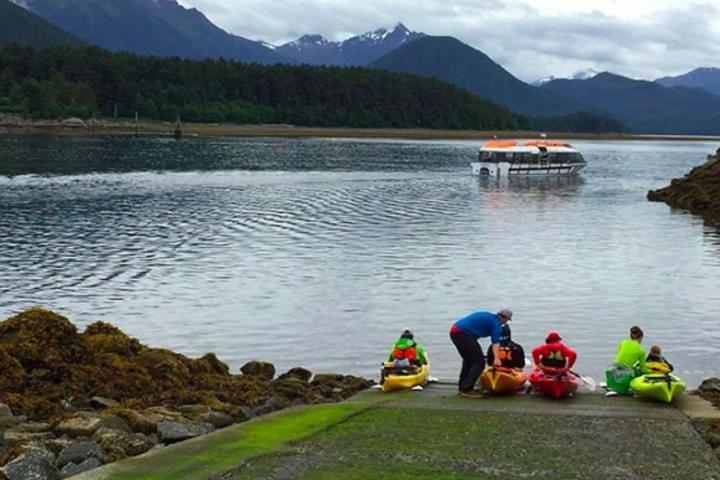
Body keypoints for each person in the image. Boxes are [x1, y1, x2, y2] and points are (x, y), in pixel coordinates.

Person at [450, 308, 513, 398]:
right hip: (462, 333)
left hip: (455, 331)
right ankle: (467, 389)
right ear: (504, 318)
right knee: (479, 362)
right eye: (507, 320)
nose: (505, 323)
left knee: (469, 361)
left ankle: (463, 387)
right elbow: (495, 342)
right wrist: (497, 358)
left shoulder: (488, 315)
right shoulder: (496, 324)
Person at [605, 326, 650, 396]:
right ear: (641, 338)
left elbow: (621, 356)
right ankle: (625, 390)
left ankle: (612, 385)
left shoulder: (623, 343)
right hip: (625, 371)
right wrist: (651, 372)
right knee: (639, 372)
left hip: (613, 368)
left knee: (630, 367)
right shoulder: (641, 351)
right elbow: (643, 368)